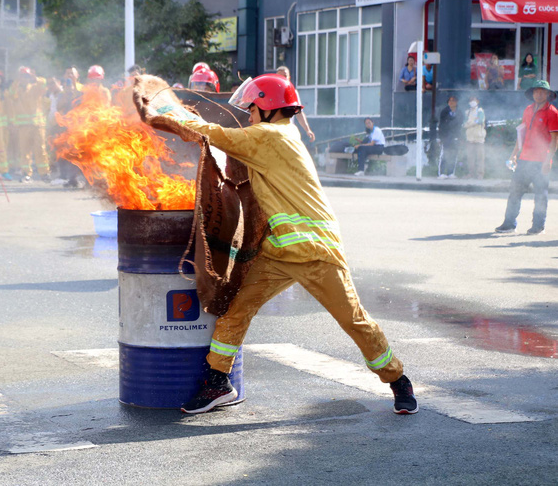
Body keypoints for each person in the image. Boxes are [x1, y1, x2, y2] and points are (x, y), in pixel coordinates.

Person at [140, 74, 418, 415]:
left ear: (267, 107)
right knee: (236, 309)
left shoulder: (269, 136)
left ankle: (398, 380)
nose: (250, 116)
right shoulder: (279, 133)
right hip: (279, 251)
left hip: (316, 251)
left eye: (253, 110)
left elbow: (215, 135)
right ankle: (217, 382)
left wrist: (170, 111)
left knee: (354, 321)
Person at [495, 80, 558, 235]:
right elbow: (522, 134)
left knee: (540, 195)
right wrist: (514, 154)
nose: (539, 94)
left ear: (549, 94)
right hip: (524, 159)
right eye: (536, 91)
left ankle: (538, 226)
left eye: (543, 92)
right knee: (515, 192)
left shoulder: (552, 112)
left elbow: (555, 139)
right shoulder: (528, 110)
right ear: (532, 93)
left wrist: (548, 160)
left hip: (541, 161)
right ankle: (509, 224)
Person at [8, 66, 51, 183]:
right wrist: (17, 81)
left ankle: (44, 173)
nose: (24, 79)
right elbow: (11, 94)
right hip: (23, 126)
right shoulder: (17, 90)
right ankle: (27, 174)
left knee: (40, 149)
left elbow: (43, 83)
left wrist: (35, 78)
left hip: (37, 125)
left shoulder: (34, 88)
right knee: (25, 151)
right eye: (22, 76)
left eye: (26, 76)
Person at [276, 66, 315, 142]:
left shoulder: (293, 92)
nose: (282, 79)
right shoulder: (270, 92)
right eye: (280, 77)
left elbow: (299, 113)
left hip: (288, 131)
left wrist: (307, 129)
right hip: (274, 131)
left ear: (289, 78)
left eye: (285, 76)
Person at [437, 95, 463, 179]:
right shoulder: (444, 111)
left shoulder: (459, 112)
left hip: (455, 137)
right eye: (450, 101)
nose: (451, 102)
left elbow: (460, 125)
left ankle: (451, 172)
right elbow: (441, 125)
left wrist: (458, 136)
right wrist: (441, 137)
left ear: (456, 102)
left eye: (453, 101)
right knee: (445, 154)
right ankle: (441, 173)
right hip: (446, 136)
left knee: (453, 154)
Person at [463, 96, 486, 179]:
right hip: (470, 138)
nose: (472, 101)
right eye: (471, 100)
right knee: (470, 157)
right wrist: (472, 123)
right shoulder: (467, 112)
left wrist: (471, 123)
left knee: (480, 157)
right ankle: (471, 174)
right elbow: (464, 123)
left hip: (479, 138)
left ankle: (480, 174)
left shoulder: (480, 111)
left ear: (478, 101)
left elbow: (479, 120)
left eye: (474, 100)